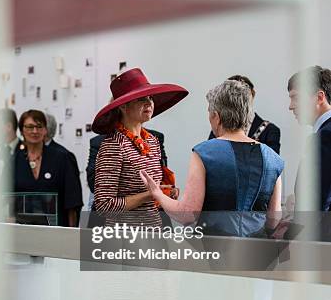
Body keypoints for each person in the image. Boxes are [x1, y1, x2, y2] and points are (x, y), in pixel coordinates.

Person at [141, 80, 284, 238]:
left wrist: (157, 194)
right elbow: (273, 219)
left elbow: (188, 215)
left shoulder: (205, 152)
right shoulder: (272, 157)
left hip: (216, 250)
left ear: (216, 116)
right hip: (258, 252)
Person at [92, 68, 188, 227]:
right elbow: (104, 206)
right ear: (123, 106)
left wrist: (164, 192)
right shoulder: (113, 145)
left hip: (154, 231)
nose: (149, 102)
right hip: (124, 238)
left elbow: (154, 190)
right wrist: (150, 195)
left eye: (150, 97)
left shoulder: (152, 141)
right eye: (140, 99)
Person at [12, 110, 83, 226]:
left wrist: (71, 235)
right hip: (22, 231)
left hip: (56, 230)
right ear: (22, 130)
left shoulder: (62, 158)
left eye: (39, 126)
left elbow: (72, 202)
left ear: (45, 130)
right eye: (30, 127)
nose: (35, 131)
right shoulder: (14, 160)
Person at [288, 65, 331, 212]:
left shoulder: (326, 136)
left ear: (319, 97)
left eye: (296, 98)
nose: (291, 106)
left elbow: (319, 202)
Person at [208, 75, 281, 154]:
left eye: (243, 94)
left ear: (252, 94)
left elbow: (272, 164)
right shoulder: (218, 127)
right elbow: (208, 156)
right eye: (230, 95)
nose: (238, 99)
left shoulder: (270, 130)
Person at [45, 113, 83, 224]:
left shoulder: (64, 156)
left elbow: (73, 200)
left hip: (58, 224)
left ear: (45, 130)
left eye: (37, 126)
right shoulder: (25, 155)